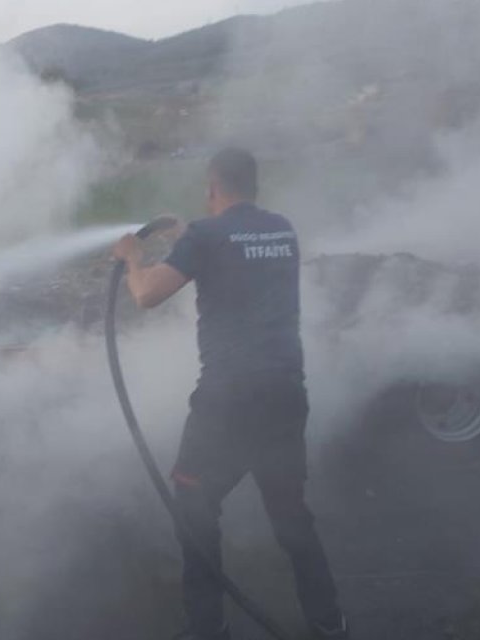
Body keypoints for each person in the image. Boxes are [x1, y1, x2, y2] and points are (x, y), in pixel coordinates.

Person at [112, 148, 347, 640]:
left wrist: (133, 259)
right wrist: (186, 237)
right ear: (254, 186)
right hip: (285, 395)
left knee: (194, 507)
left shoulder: (207, 236)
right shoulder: (282, 229)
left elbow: (146, 295)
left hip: (228, 403)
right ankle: (330, 625)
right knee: (290, 515)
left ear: (212, 187)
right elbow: (237, 253)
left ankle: (207, 628)